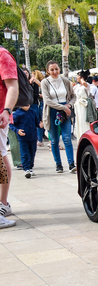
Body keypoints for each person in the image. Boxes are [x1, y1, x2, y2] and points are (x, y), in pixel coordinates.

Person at [41, 60, 77, 174]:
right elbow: (47, 100)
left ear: (59, 69)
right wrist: (63, 108)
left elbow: (73, 96)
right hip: (52, 111)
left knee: (67, 138)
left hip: (65, 111)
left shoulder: (65, 81)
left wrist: (69, 105)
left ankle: (71, 164)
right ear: (48, 71)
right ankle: (58, 164)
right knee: (54, 140)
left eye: (56, 69)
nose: (54, 71)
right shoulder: (45, 82)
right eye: (52, 70)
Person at [0, 44, 19, 226]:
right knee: (2, 157)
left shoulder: (3, 55)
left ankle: (2, 204)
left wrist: (6, 110)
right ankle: (3, 204)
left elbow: (13, 87)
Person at [9, 103, 41, 178]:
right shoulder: (17, 113)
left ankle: (30, 167)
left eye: (28, 103)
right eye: (24, 103)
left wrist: (41, 124)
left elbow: (37, 123)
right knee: (24, 153)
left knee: (32, 152)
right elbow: (11, 124)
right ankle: (26, 168)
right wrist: (17, 131)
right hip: (23, 138)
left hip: (33, 137)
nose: (27, 105)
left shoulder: (33, 112)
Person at [73, 70, 92, 137]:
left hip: (83, 105)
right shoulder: (77, 86)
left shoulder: (87, 85)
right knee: (78, 121)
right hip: (77, 105)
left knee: (84, 121)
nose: (76, 77)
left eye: (78, 76)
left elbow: (85, 84)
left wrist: (82, 79)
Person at [30, 69, 45, 146]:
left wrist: (39, 95)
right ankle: (40, 139)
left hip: (41, 103)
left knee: (40, 121)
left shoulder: (38, 83)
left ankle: (40, 139)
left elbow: (36, 94)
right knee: (40, 121)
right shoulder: (36, 83)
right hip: (40, 103)